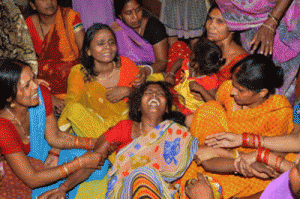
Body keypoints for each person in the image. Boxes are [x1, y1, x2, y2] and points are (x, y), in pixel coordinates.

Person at [43, 81, 198, 198]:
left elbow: (198, 156)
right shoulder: (124, 128)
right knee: (142, 176)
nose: (154, 95)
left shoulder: (176, 134)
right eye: (148, 93)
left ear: (166, 109)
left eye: (160, 94)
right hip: (126, 189)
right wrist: (64, 187)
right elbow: (92, 161)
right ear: (138, 106)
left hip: (166, 192)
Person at [180, 54, 294, 199]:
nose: (233, 91)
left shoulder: (278, 110)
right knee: (209, 109)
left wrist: (230, 155)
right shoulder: (228, 89)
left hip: (250, 166)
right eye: (234, 85)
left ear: (262, 93)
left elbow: (273, 158)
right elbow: (214, 118)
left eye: (240, 90)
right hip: (215, 147)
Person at [55, 23, 142, 198]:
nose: (107, 48)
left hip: (124, 126)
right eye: (100, 43)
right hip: (95, 128)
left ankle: (118, 162)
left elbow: (143, 101)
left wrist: (129, 91)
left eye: (111, 42)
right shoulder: (78, 73)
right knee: (74, 110)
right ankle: (122, 163)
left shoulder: (127, 66)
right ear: (88, 50)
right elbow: (71, 108)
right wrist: (55, 149)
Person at [0, 59, 107, 198]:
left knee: (100, 164)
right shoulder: (3, 127)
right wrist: (79, 163)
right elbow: (32, 179)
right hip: (23, 170)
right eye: (26, 85)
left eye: (33, 78)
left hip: (44, 153)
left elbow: (54, 137)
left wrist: (95, 143)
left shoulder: (41, 95)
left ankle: (63, 187)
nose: (35, 86)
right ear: (9, 97)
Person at [214, 0, 300, 103]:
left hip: (281, 20)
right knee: (248, 79)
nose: (232, 92)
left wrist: (271, 21)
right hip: (248, 19)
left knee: (269, 83)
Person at [165, 3, 248, 87]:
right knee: (179, 46)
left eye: (220, 21)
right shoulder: (206, 44)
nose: (211, 26)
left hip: (214, 97)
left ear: (234, 27)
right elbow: (191, 65)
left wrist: (205, 93)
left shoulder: (241, 61)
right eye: (210, 19)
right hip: (193, 87)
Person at [25, 0, 85, 114]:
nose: (49, 2)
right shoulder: (28, 25)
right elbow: (25, 66)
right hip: (42, 90)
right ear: (33, 5)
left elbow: (86, 53)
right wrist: (47, 97)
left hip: (75, 86)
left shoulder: (69, 17)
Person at [166, 38, 225, 115]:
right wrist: (171, 74)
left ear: (199, 64)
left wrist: (202, 90)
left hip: (191, 110)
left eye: (192, 59)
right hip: (179, 98)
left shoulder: (210, 80)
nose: (189, 60)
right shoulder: (190, 64)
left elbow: (214, 103)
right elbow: (180, 61)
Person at [112, 0, 168, 77]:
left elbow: (162, 62)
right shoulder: (116, 30)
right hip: (125, 73)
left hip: (152, 72)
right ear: (120, 15)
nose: (135, 17)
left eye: (138, 10)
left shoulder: (155, 27)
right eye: (128, 13)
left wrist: (146, 70)